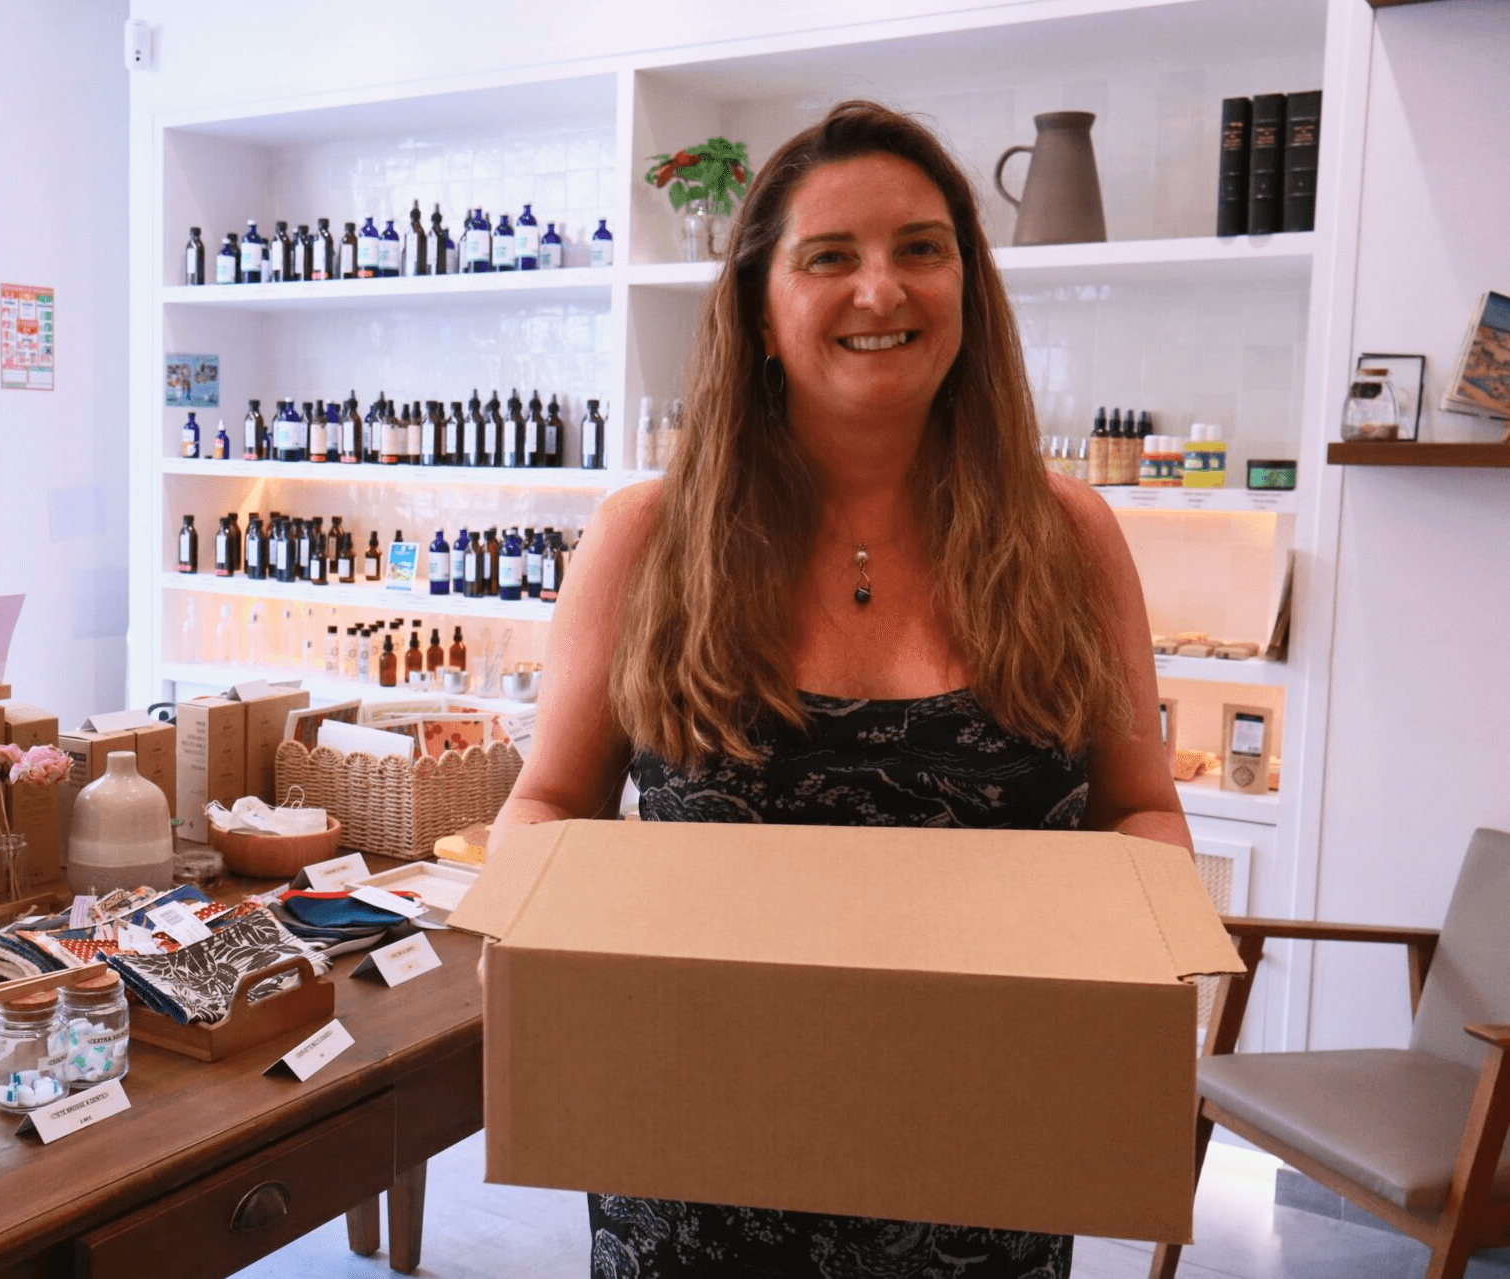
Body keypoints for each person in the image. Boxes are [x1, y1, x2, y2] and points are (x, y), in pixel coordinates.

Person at [490, 100, 1189, 1279]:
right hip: (696, 1176)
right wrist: (528, 941)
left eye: (921, 248)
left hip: (987, 1170)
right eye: (829, 257)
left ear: (968, 288)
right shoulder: (647, 542)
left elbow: (1142, 809)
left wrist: (1146, 962)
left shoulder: (1068, 539)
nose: (882, 289)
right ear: (760, 308)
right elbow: (550, 799)